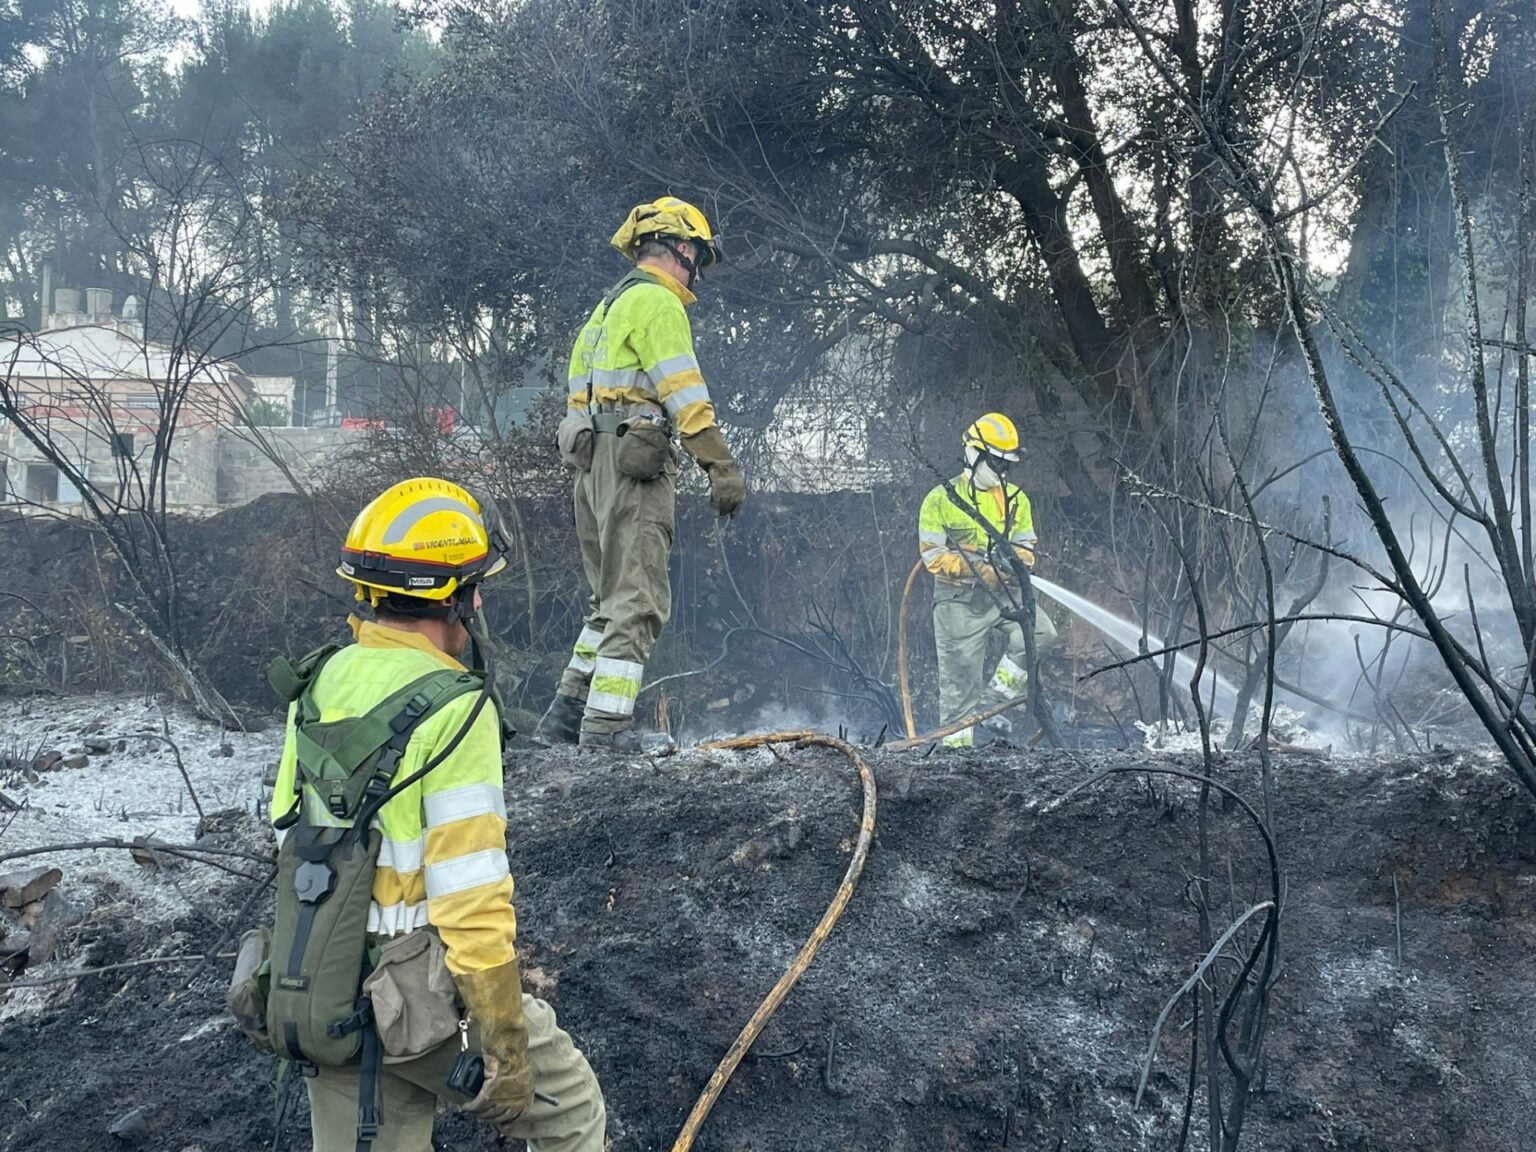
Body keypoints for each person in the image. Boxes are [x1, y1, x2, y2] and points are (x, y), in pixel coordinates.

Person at [269, 478, 605, 1151]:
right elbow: (471, 899)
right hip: (416, 993)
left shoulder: (322, 680)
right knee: (569, 1108)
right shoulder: (456, 708)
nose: (478, 602)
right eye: (473, 587)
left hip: (320, 982)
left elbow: (288, 828)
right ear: (450, 597)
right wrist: (502, 1041)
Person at [536, 196, 746, 751]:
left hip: (590, 465)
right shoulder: (657, 302)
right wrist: (719, 465)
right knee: (637, 601)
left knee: (607, 601)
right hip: (633, 466)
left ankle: (564, 719)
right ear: (680, 248)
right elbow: (684, 393)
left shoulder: (606, 309)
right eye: (697, 255)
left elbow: (579, 398)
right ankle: (605, 732)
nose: (697, 269)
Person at [917, 413, 1058, 747]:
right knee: (960, 683)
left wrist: (1014, 561)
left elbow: (1027, 548)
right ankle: (957, 756)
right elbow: (933, 557)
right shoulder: (940, 499)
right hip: (958, 599)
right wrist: (978, 569)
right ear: (973, 454)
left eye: (1007, 464)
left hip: (1005, 591)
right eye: (996, 462)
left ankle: (996, 701)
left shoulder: (1015, 499)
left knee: (1041, 633)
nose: (1002, 470)